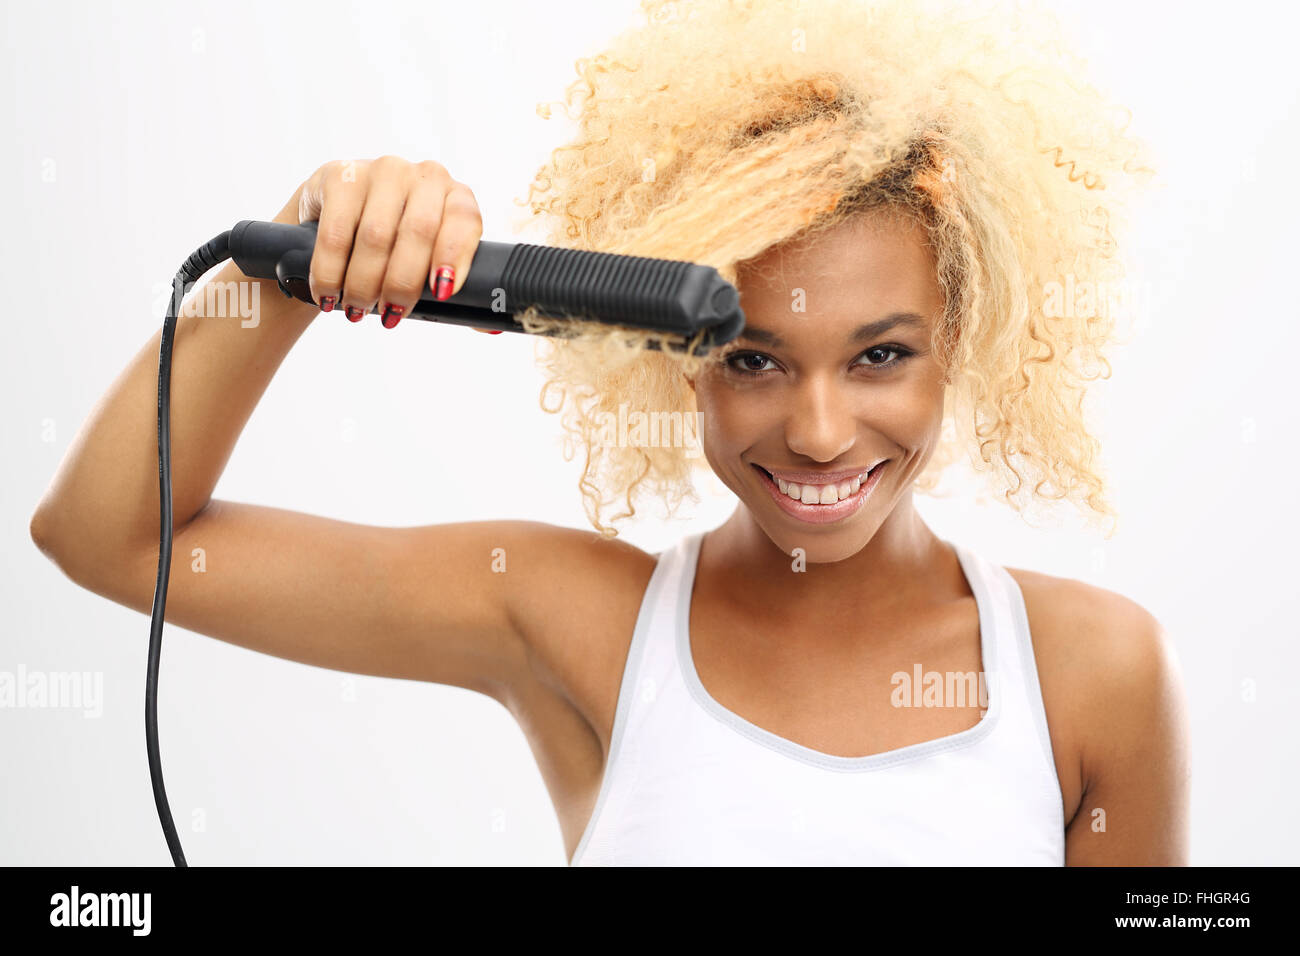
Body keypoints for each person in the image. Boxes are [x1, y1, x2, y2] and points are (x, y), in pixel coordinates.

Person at [29, 0, 1189, 865]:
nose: (821, 429)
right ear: (671, 354)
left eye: (879, 353)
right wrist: (291, 258)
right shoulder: (567, 616)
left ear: (962, 336)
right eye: (751, 358)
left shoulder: (1092, 672)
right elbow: (113, 537)